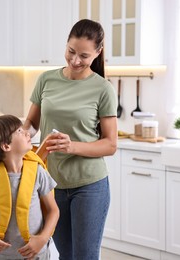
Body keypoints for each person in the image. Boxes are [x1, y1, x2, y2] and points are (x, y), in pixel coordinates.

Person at [23, 19, 118, 260]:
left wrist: (71, 145)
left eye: (84, 56)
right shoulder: (46, 79)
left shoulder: (103, 88)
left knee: (84, 256)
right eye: (71, 52)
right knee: (65, 255)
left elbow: (110, 144)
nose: (76, 60)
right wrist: (18, 137)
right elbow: (31, 124)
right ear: (66, 45)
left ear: (97, 53)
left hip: (89, 185)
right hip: (51, 184)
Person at [0, 115, 59, 260]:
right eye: (19, 131)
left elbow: (53, 211)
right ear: (6, 146)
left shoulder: (38, 172)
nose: (26, 132)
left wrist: (43, 239)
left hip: (36, 254)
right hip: (3, 256)